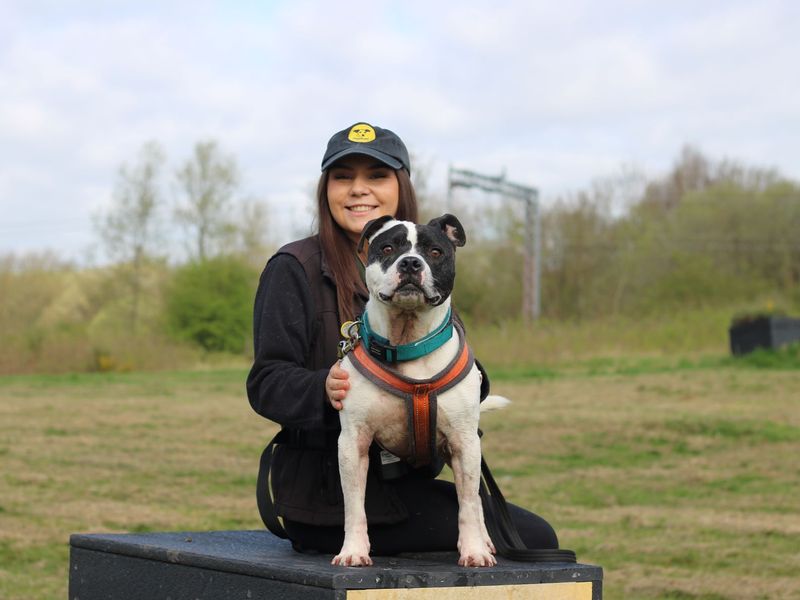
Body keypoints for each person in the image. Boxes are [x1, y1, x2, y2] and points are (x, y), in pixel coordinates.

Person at [246, 121, 559, 555]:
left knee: (533, 538)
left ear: (401, 187)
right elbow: (265, 382)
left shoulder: (428, 260)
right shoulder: (293, 267)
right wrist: (321, 387)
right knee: (527, 541)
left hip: (404, 488)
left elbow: (459, 367)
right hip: (323, 501)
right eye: (343, 177)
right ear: (325, 190)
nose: (359, 189)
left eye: (376, 176)